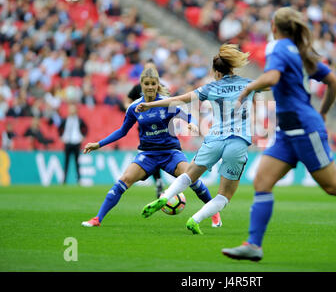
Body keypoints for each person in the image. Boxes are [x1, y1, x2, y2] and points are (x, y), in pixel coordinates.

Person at [221, 7, 336, 262]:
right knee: (262, 182)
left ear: (274, 26)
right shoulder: (301, 52)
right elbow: (334, 82)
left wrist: (250, 87)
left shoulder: (277, 47)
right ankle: (253, 244)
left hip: (303, 129)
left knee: (334, 186)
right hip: (288, 131)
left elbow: (273, 77)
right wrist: (324, 112)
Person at [136, 44, 255, 235]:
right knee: (224, 195)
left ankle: (166, 196)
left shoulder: (211, 87)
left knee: (189, 175)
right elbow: (273, 81)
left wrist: (151, 104)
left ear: (216, 72)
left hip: (215, 139)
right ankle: (196, 219)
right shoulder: (248, 83)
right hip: (238, 142)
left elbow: (180, 99)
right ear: (232, 68)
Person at [81, 67, 220, 227]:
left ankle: (213, 211)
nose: (150, 86)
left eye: (153, 83)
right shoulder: (134, 107)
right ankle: (98, 219)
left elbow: (188, 116)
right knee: (124, 180)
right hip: (148, 154)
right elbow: (122, 131)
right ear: (141, 84)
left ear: (157, 85)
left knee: (192, 177)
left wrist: (192, 125)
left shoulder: (167, 103)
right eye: (146, 83)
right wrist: (99, 144)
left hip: (171, 153)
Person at [125, 61, 166, 198]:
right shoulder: (138, 87)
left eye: (152, 69)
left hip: (161, 128)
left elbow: (171, 107)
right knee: (151, 153)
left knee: (159, 154)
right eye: (147, 69)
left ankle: (156, 178)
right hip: (144, 127)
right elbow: (128, 100)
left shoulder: (160, 88)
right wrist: (130, 109)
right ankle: (158, 179)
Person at [58, 103, 88, 184]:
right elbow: (59, 128)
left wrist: (83, 136)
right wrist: (61, 136)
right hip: (67, 142)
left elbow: (86, 128)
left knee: (77, 162)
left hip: (76, 142)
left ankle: (78, 179)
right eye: (70, 109)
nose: (72, 111)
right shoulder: (65, 120)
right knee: (66, 162)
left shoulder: (79, 120)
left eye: (73, 109)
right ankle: (64, 180)